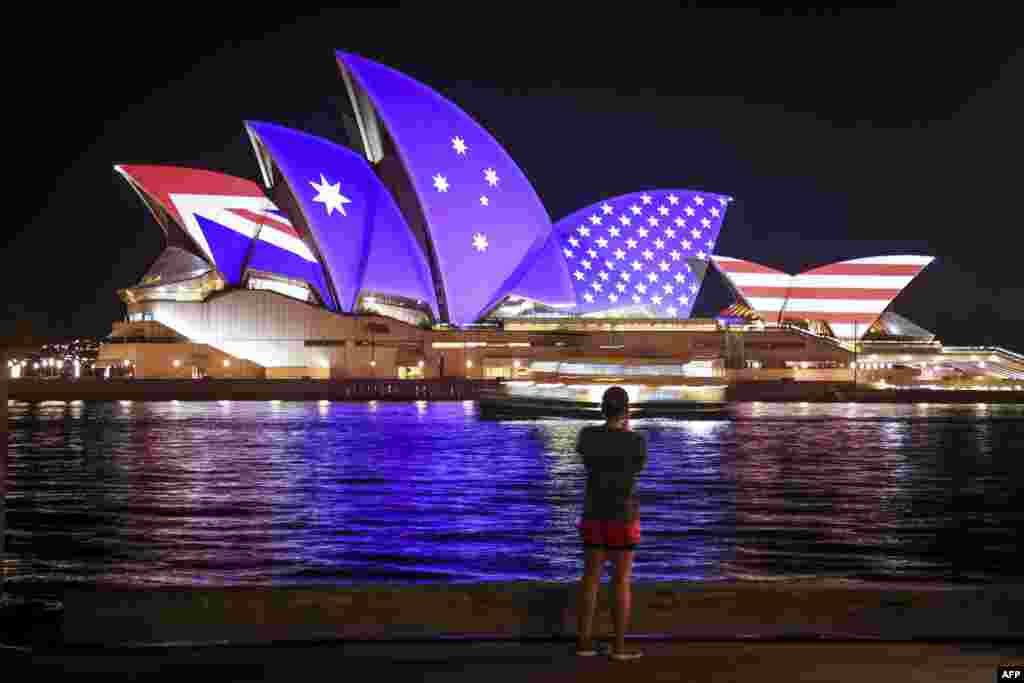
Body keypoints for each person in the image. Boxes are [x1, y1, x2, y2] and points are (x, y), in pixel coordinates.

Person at [575, 386, 647, 661]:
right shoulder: (636, 441)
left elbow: (587, 461)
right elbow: (636, 469)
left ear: (602, 409)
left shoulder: (588, 436)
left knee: (590, 578)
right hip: (624, 515)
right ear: (626, 410)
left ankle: (584, 643)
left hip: (594, 512)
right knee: (621, 581)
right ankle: (618, 648)